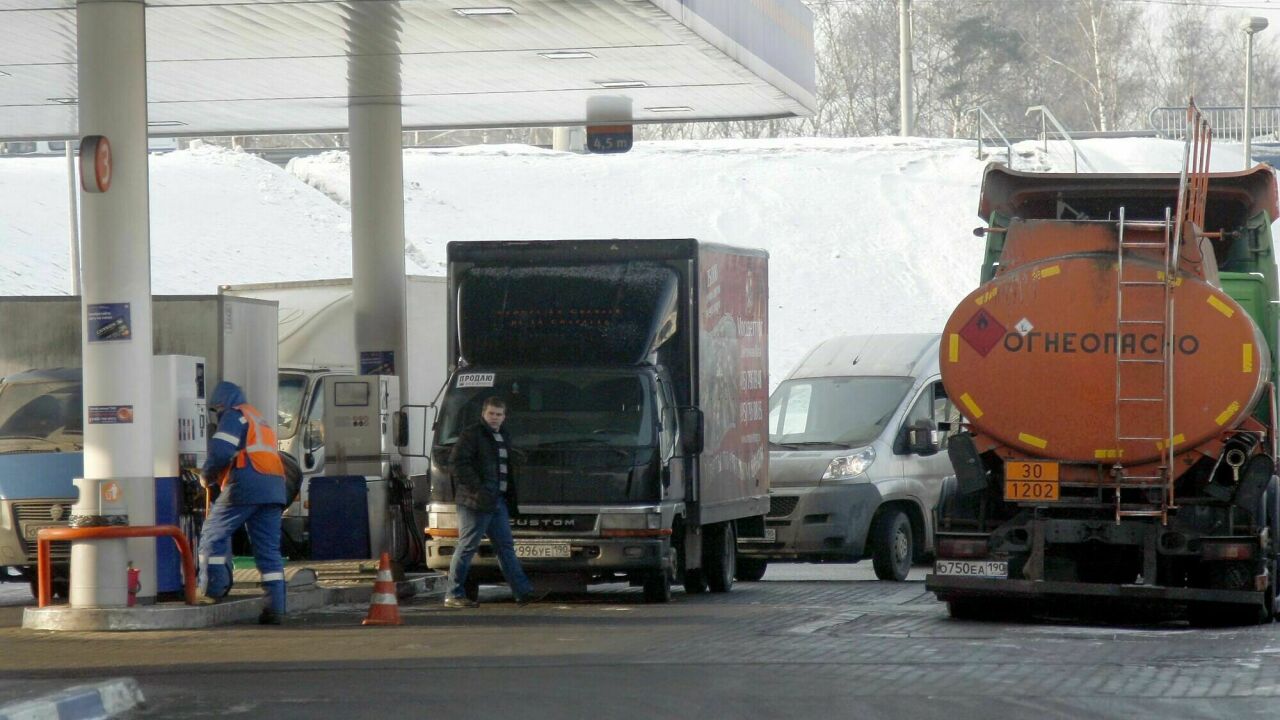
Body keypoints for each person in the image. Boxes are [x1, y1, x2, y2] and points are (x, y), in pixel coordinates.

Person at [197, 381, 289, 625]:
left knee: (212, 534)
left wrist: (206, 475)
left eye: (216, 410)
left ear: (222, 404)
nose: (217, 416)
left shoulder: (234, 416)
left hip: (247, 483)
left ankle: (211, 591)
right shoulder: (258, 418)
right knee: (268, 551)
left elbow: (220, 450)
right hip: (274, 486)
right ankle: (275, 608)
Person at [445, 396, 541, 608]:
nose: (495, 418)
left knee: (505, 547)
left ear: (504, 416)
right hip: (475, 502)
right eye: (491, 414)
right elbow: (457, 463)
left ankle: (523, 593)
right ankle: (453, 594)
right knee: (468, 546)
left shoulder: (502, 436)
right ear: (483, 413)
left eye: (499, 414)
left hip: (496, 500)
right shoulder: (472, 434)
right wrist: (478, 489)